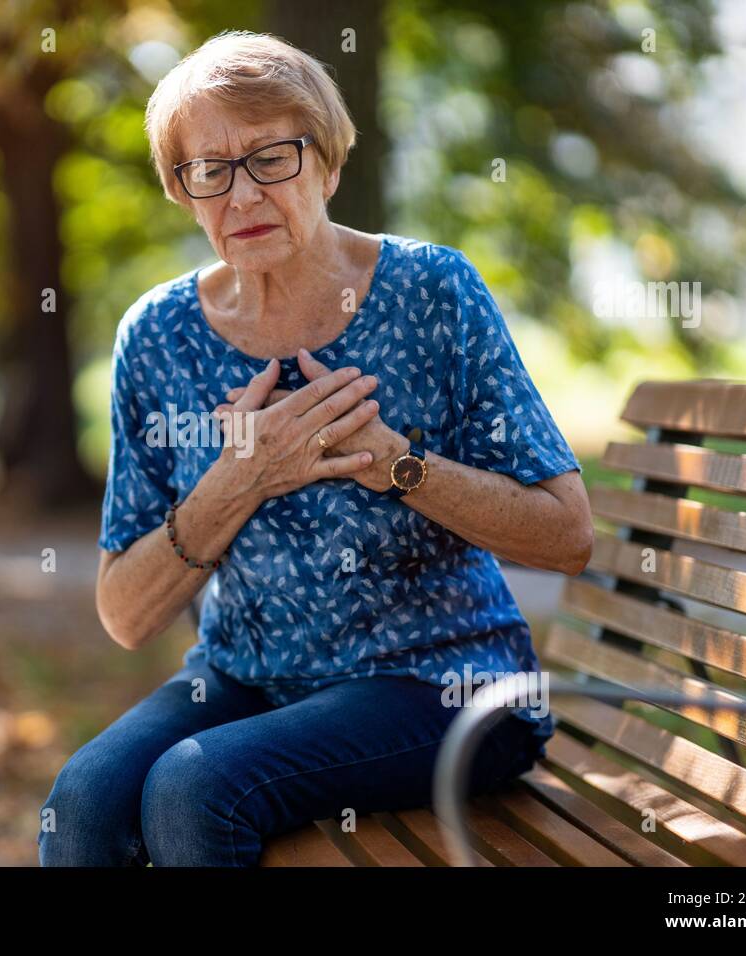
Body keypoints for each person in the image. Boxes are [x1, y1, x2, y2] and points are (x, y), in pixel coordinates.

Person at [38, 31, 593, 867]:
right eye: (209, 170)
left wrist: (391, 463)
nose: (241, 194)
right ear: (182, 193)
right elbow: (125, 613)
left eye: (272, 157)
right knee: (83, 803)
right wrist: (242, 479)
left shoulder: (432, 291)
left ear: (328, 166)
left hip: (444, 684)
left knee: (194, 788)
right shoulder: (157, 336)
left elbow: (567, 535)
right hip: (247, 678)